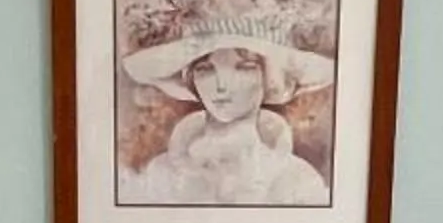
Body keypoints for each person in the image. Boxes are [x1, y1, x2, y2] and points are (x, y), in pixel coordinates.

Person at [118, 16, 336, 206]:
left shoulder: (296, 179)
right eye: (205, 69)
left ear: (270, 79)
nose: (221, 84)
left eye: (244, 68)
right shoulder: (161, 174)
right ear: (190, 78)